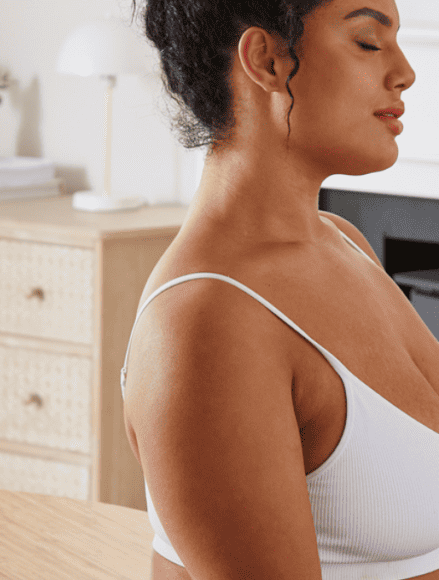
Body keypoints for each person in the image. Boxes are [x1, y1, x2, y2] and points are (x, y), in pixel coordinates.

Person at [119, 0, 438, 578]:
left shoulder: (341, 242)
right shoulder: (206, 322)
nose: (405, 71)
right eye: (369, 42)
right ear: (266, 61)